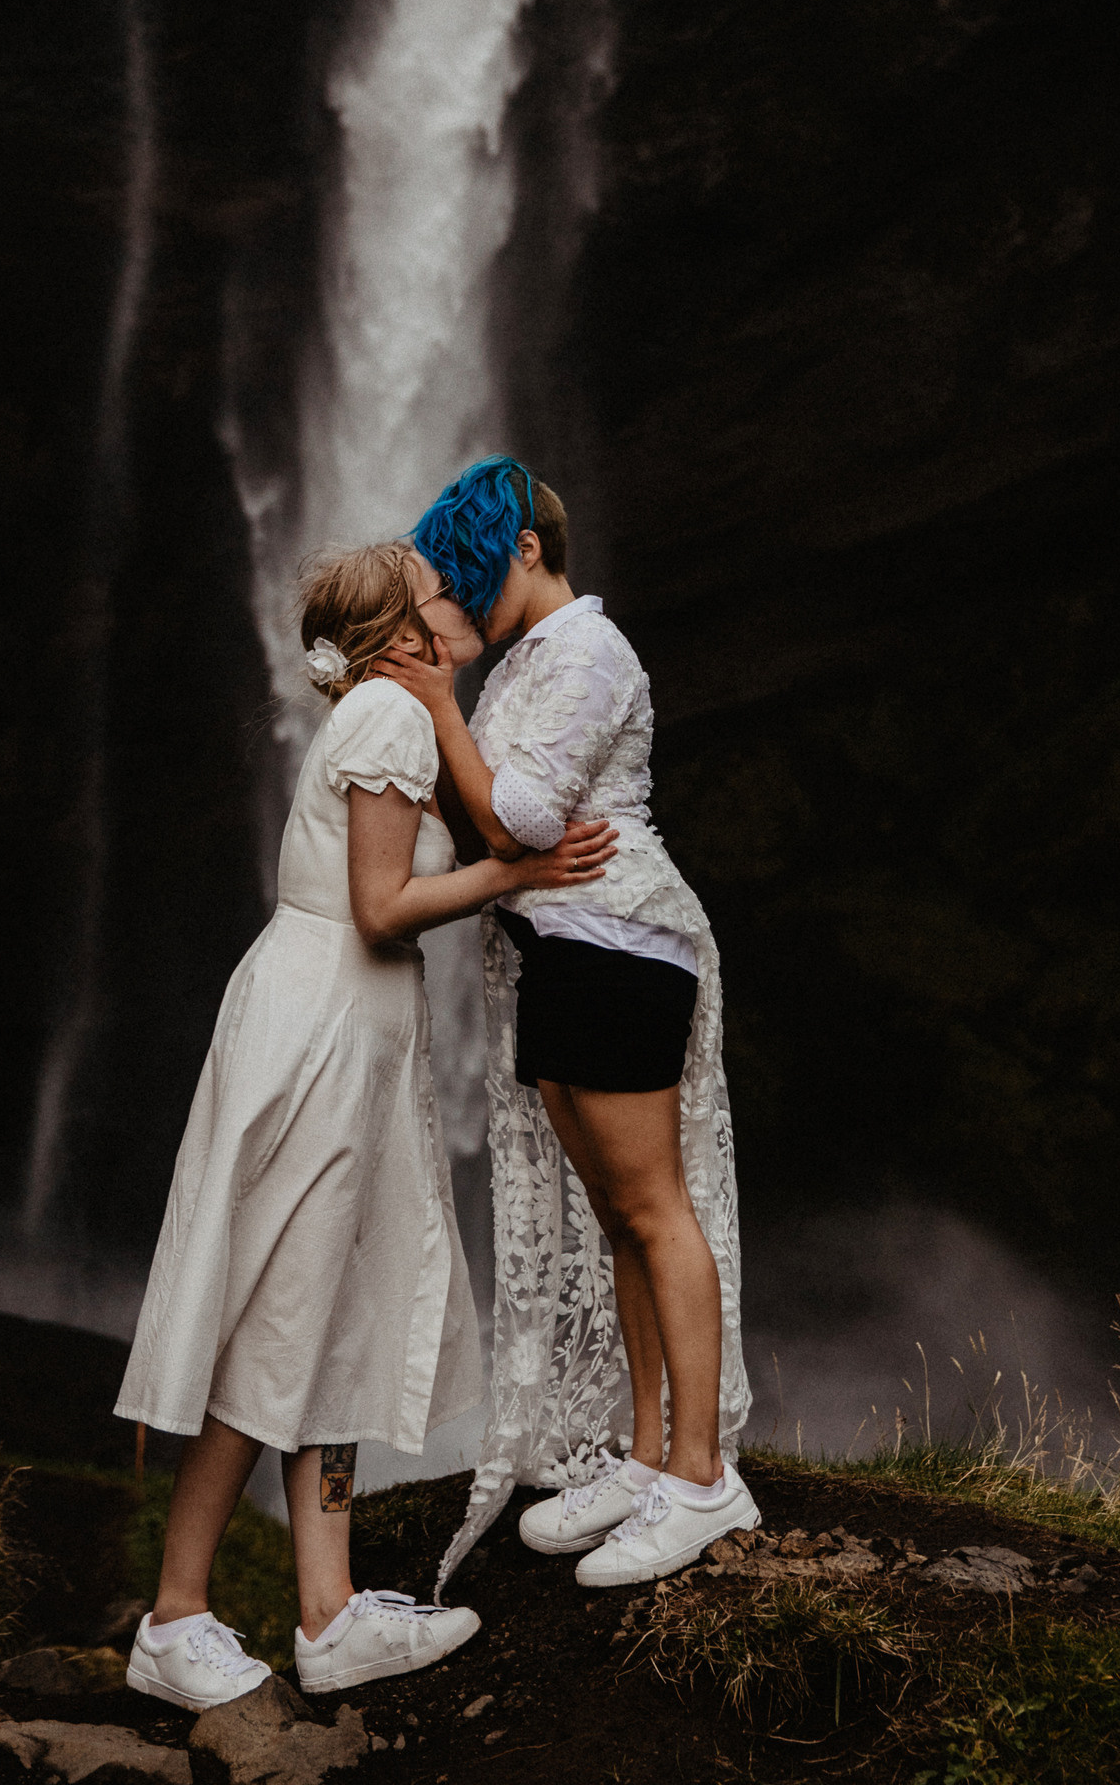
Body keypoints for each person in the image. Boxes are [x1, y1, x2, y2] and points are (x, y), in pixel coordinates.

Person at [114, 539, 617, 1708]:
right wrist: (520, 881)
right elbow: (384, 908)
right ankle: (174, 1615)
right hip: (327, 1033)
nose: (463, 594)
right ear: (403, 634)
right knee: (283, 1314)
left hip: (347, 1028)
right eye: (443, 591)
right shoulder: (386, 722)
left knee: (330, 1316)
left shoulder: (395, 710)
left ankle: (328, 1611)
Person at [375, 458, 752, 1594]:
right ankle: (645, 1457)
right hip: (556, 951)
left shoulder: (590, 649)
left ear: (527, 549)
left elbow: (524, 814)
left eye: (473, 571)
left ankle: (700, 1476)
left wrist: (442, 709)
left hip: (621, 944)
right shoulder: (522, 668)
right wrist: (437, 729)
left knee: (652, 1206)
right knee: (613, 1218)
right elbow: (474, 817)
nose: (460, 603)